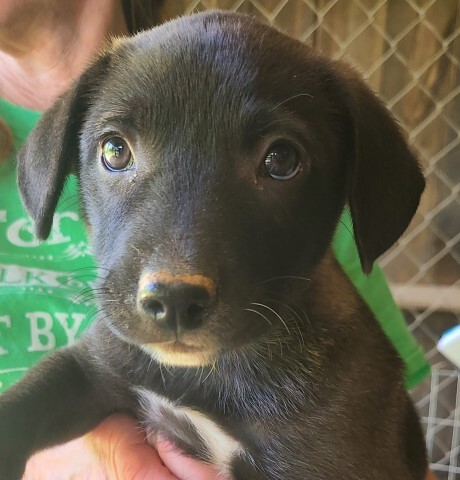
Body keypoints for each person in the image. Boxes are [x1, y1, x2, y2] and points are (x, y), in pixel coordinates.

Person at [0, 1, 432, 478]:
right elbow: (81, 375)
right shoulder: (121, 344)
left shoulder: (333, 394)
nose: (176, 274)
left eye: (279, 162)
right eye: (117, 151)